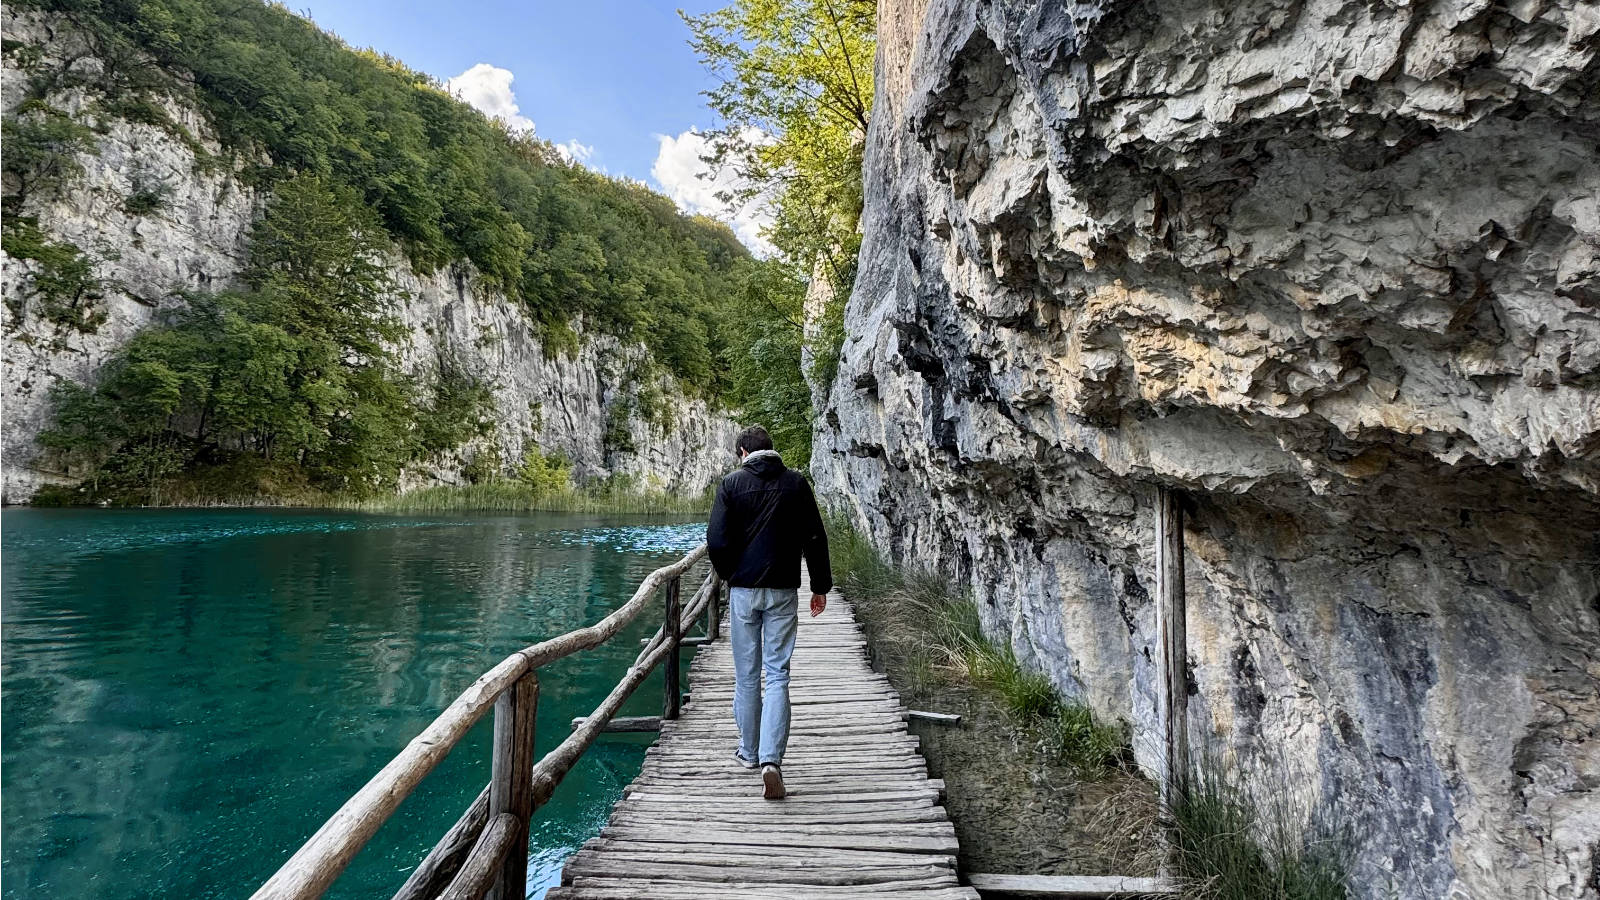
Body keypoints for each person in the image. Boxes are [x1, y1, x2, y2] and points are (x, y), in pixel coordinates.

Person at [706, 425, 832, 800]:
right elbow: (814, 536)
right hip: (782, 590)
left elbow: (716, 540)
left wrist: (731, 574)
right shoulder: (795, 483)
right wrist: (820, 587)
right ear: (771, 451)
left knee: (747, 677)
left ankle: (748, 753)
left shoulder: (731, 484)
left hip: (744, 592)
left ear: (743, 452)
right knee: (778, 676)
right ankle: (771, 760)